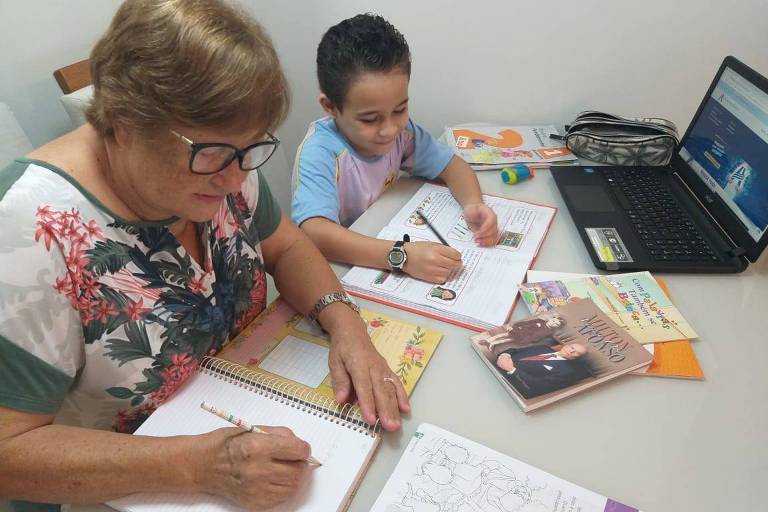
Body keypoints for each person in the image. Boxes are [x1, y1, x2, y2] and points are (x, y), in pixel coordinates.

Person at [0, 2, 408, 511]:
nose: (238, 179)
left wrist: (345, 322)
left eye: (250, 151)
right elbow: (8, 453)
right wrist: (196, 466)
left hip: (248, 410)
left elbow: (285, 244)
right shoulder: (27, 229)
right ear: (124, 125)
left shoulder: (225, 153)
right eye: (213, 157)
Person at [291, 13, 499, 285]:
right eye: (369, 119)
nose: (389, 129)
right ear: (330, 107)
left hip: (383, 237)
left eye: (400, 109)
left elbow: (452, 165)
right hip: (342, 272)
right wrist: (402, 256)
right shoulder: (320, 151)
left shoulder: (403, 133)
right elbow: (315, 231)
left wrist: (473, 204)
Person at [495, 343, 590, 399]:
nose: (571, 351)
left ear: (577, 358)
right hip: (493, 367)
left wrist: (512, 370)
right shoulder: (543, 348)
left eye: (577, 352)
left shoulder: (566, 372)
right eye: (572, 347)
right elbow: (514, 350)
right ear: (567, 345)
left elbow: (538, 387)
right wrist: (505, 355)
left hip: (507, 386)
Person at [477, 312, 565, 356]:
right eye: (553, 321)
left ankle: (492, 344)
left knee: (507, 340)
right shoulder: (540, 321)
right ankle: (487, 340)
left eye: (556, 324)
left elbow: (538, 338)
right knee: (504, 335)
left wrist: (527, 341)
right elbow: (526, 322)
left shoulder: (549, 332)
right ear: (550, 319)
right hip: (519, 330)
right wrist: (515, 326)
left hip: (524, 338)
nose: (553, 323)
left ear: (556, 326)